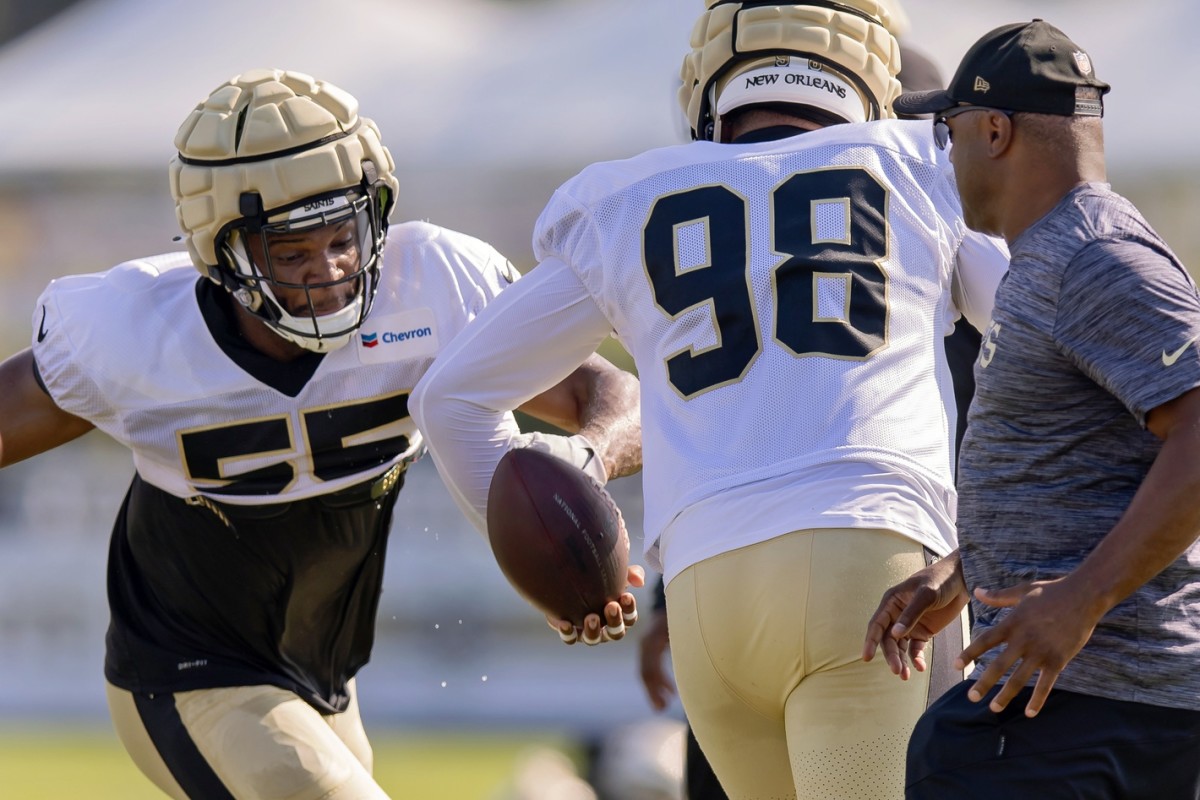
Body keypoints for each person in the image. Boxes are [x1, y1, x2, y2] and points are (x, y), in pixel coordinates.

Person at [411, 1, 1010, 796]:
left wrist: (556, 570)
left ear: (707, 81)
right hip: (868, 564)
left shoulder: (628, 198)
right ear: (874, 80)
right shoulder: (918, 161)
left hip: (707, 595)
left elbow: (449, 398)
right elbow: (1057, 336)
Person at [0, 68, 643, 800]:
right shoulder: (134, 330)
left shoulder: (433, 286)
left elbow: (613, 392)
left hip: (328, 684)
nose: (331, 272)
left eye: (343, 237)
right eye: (293, 253)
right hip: (184, 671)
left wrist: (584, 463)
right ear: (222, 255)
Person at [862, 19, 1200, 798]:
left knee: (945, 754)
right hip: (1077, 701)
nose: (946, 155)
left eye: (948, 132)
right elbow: (1090, 465)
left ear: (994, 129)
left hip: (1095, 703)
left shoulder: (1095, 256)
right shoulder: (1051, 252)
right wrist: (963, 571)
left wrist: (1083, 599)